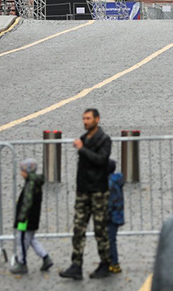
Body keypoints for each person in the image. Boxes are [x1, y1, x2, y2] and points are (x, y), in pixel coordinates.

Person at [59, 108, 112, 280]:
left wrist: (82, 150)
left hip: (98, 192)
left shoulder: (104, 140)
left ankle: (105, 264)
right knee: (78, 229)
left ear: (97, 119)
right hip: (83, 191)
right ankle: (76, 265)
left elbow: (100, 160)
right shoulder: (83, 138)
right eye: (84, 118)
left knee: (100, 230)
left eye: (88, 118)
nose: (85, 121)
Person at [9, 158, 53, 274]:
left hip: (26, 220)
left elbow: (27, 203)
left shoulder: (30, 184)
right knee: (32, 239)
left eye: (22, 170)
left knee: (21, 239)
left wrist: (21, 218)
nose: (20, 172)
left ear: (27, 172)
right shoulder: (35, 182)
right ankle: (45, 257)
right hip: (33, 218)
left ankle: (22, 263)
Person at [106, 159, 125, 274]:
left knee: (110, 240)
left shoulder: (109, 184)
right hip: (117, 215)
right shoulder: (117, 180)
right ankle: (111, 261)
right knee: (111, 239)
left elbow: (108, 203)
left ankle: (114, 263)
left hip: (111, 216)